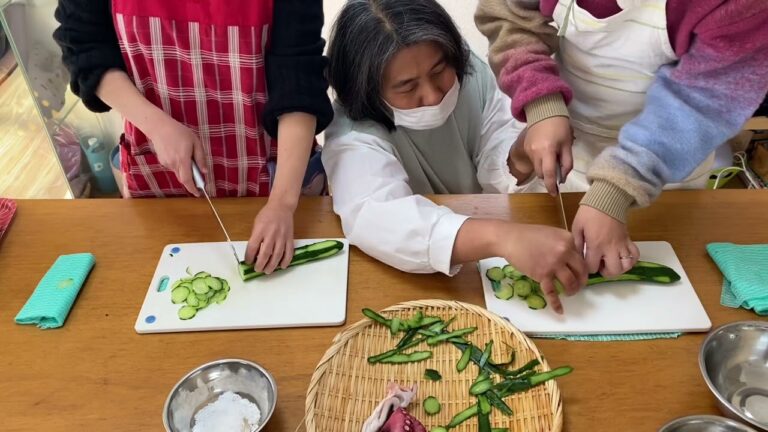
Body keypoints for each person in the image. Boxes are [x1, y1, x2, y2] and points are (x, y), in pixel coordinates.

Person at [323, 0, 588, 313]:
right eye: (407, 87)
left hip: (475, 256)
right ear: (366, 88)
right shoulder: (352, 132)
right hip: (415, 285)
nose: (434, 94)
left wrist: (523, 149)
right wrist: (501, 238)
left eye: (439, 71)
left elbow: (496, 151)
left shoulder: (470, 74)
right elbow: (379, 217)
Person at [475, 0, 768, 277]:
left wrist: (618, 189)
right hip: (566, 146)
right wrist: (542, 105)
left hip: (664, 168)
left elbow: (704, 100)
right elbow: (509, 16)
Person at [53, 0, 333, 275]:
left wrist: (282, 203)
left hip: (277, 171)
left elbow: (300, 76)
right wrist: (158, 126)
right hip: (160, 174)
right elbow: (84, 47)